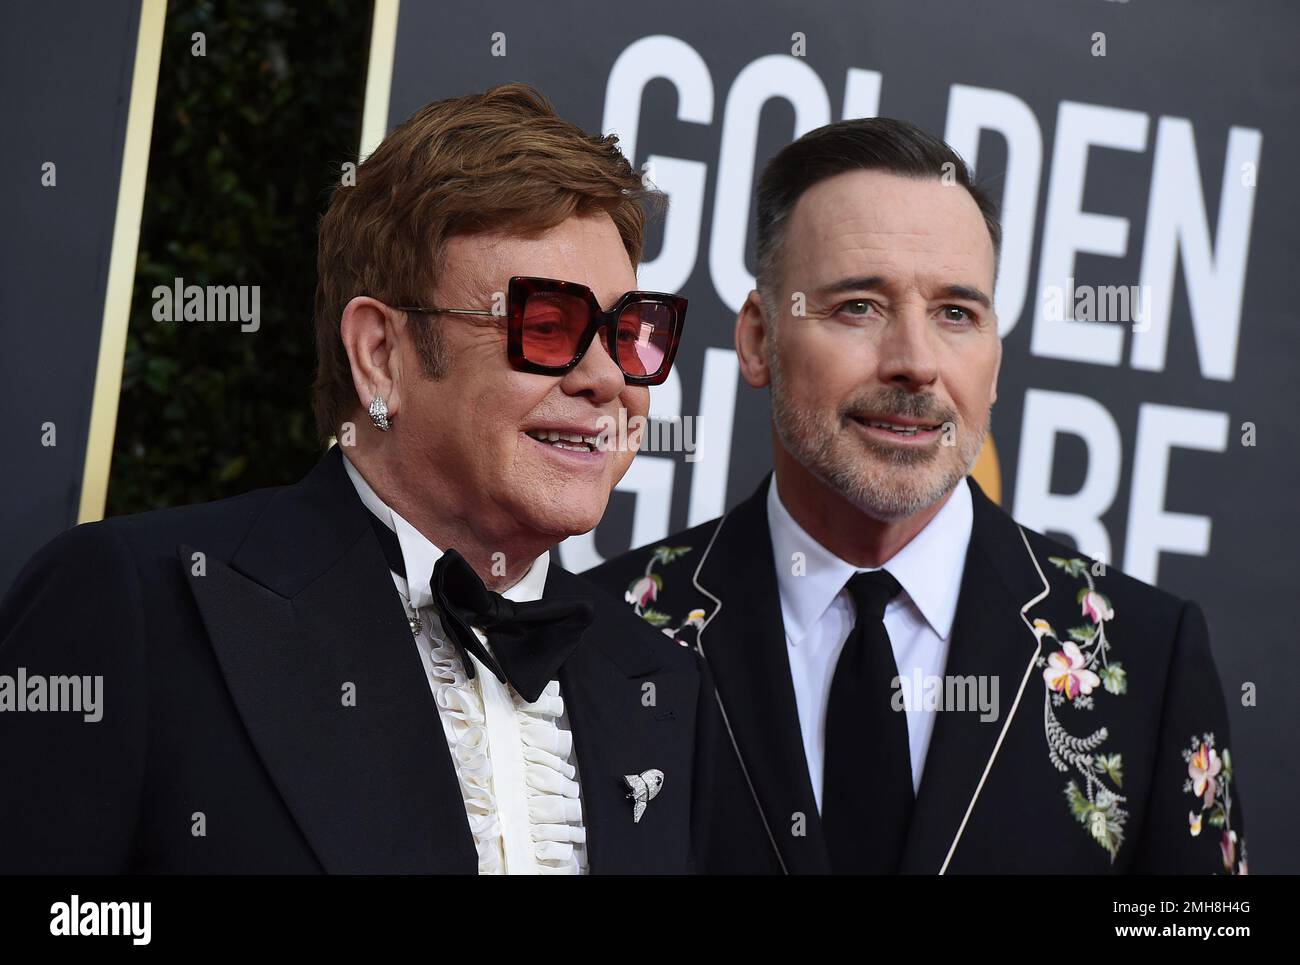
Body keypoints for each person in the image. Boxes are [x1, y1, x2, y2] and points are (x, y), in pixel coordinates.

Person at [0, 83, 722, 874]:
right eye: (547, 326)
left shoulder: (663, 683)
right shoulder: (140, 607)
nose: (607, 378)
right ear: (381, 354)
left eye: (631, 333)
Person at [587, 117, 1248, 874]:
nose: (915, 363)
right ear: (758, 338)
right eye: (859, 306)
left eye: (956, 314)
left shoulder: (1148, 657)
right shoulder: (609, 634)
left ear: (994, 363)